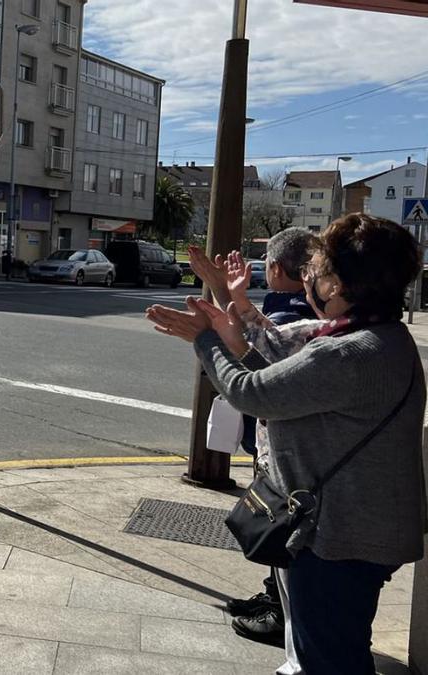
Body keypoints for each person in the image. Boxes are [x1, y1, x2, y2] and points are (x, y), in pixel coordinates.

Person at [148, 214, 427, 675]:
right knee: (337, 644)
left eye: (315, 268)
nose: (308, 277)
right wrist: (233, 340)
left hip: (339, 535)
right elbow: (288, 389)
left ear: (337, 284)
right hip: (366, 529)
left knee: (329, 660)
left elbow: (251, 394)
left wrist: (206, 340)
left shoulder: (345, 352)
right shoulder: (383, 339)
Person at [187, 228, 319, 647]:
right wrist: (231, 295)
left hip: (285, 451)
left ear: (277, 268)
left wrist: (206, 337)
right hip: (291, 450)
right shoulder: (309, 317)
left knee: (282, 525)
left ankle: (280, 611)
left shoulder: (294, 318)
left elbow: (253, 367)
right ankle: (274, 600)